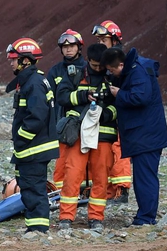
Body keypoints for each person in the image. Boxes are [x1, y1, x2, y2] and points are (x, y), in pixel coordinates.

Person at [102, 46, 167, 226]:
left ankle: (146, 218)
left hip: (147, 135)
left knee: (145, 177)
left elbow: (141, 97)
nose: (112, 74)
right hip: (145, 134)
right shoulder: (133, 70)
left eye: (112, 70)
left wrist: (119, 94)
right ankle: (145, 215)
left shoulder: (138, 72)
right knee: (143, 177)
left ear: (121, 64)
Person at [55, 43, 117, 233]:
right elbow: (62, 97)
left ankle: (96, 217)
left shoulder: (112, 77)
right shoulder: (75, 74)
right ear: (87, 60)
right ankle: (66, 216)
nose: (97, 69)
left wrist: (106, 114)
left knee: (101, 177)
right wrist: (84, 95)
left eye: (100, 66)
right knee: (72, 174)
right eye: (94, 65)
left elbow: (119, 105)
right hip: (78, 133)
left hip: (103, 134)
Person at [6, 38, 59, 236]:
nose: (11, 63)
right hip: (32, 148)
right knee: (28, 185)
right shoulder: (31, 80)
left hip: (34, 148)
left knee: (33, 187)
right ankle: (34, 225)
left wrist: (20, 138)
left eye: (14, 59)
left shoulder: (34, 83)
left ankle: (38, 228)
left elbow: (36, 117)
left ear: (26, 61)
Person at [92, 19, 132, 203]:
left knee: (118, 150)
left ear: (114, 40)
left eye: (103, 40)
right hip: (105, 114)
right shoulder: (103, 62)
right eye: (98, 40)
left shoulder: (120, 62)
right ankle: (108, 191)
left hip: (119, 114)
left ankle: (121, 191)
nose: (100, 43)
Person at [47, 30, 86, 193]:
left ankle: (83, 190)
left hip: (85, 122)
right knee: (62, 160)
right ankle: (59, 193)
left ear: (79, 47)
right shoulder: (55, 71)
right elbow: (48, 98)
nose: (68, 49)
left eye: (72, 46)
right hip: (62, 124)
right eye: (64, 47)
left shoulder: (88, 68)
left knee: (83, 160)